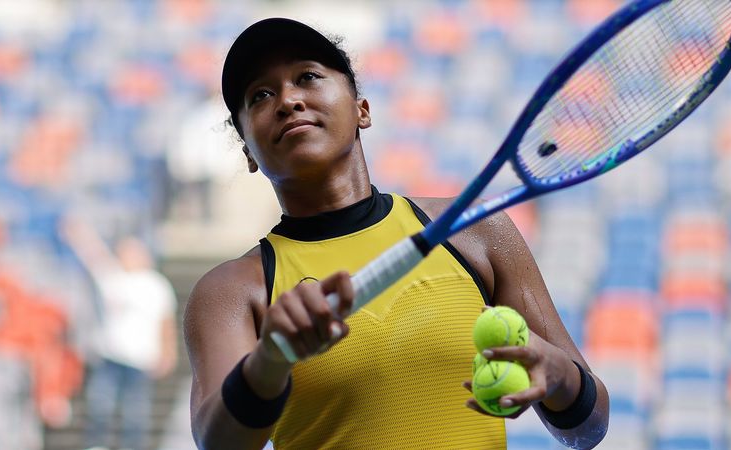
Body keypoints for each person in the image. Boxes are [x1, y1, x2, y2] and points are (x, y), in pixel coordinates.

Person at [184, 18, 609, 450]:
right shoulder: (230, 291)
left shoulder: (475, 229)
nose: (289, 100)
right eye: (261, 95)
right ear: (248, 153)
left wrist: (558, 375)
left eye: (308, 77)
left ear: (361, 110)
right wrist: (268, 363)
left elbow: (589, 427)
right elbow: (217, 443)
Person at [61, 219, 178, 450]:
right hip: (111, 357)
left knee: (136, 412)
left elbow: (166, 323)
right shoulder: (114, 279)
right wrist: (79, 233)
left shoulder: (157, 285)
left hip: (141, 360)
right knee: (100, 406)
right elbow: (94, 255)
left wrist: (168, 353)